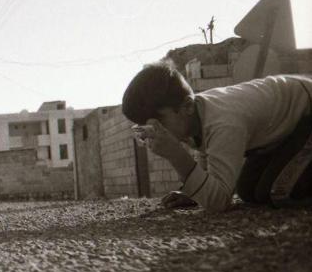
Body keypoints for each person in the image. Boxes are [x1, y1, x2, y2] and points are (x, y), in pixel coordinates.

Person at [122, 61, 312, 212]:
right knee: (248, 190)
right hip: (288, 129)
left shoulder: (223, 122)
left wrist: (176, 155)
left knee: (279, 191)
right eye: (146, 127)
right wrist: (194, 192)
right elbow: (211, 168)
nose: (155, 132)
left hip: (307, 115)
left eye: (158, 123)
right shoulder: (194, 116)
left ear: (186, 106)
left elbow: (219, 202)